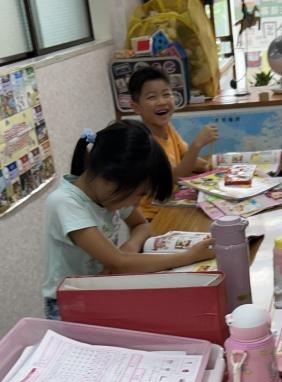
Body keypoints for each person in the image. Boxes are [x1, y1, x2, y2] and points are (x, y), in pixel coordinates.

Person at [41, 121, 215, 320]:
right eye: (139, 194)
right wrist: (190, 256)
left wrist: (131, 245)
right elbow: (120, 264)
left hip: (99, 291)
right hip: (68, 305)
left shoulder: (109, 195)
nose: (137, 202)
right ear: (110, 178)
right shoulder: (65, 203)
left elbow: (141, 225)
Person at [127, 66, 219, 218]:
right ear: (136, 107)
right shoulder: (143, 142)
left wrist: (207, 166)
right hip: (153, 214)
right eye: (152, 97)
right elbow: (174, 177)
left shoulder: (168, 128)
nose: (161, 102)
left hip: (173, 200)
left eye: (166, 94)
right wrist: (197, 144)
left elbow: (185, 157)